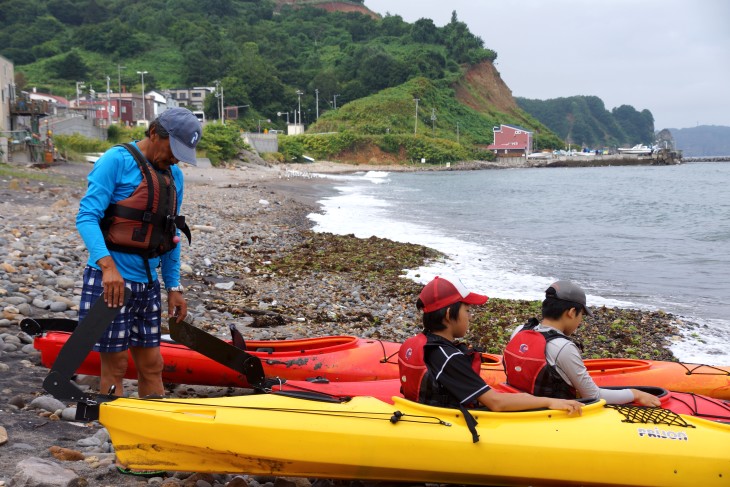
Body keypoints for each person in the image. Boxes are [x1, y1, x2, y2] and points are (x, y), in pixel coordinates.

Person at [76, 107, 202, 398]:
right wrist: (108, 268)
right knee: (116, 365)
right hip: (111, 281)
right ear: (155, 133)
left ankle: (152, 429)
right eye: (175, 149)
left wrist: (173, 286)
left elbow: (171, 234)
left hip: (148, 284)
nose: (176, 158)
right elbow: (87, 216)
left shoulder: (175, 177)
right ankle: (113, 429)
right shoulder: (116, 161)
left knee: (153, 365)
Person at [398, 275, 584, 417]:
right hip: (450, 427)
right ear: (448, 314)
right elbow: (497, 403)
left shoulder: (420, 344)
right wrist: (550, 402)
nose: (470, 317)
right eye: (467, 310)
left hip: (429, 417)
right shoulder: (448, 358)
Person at [504, 280, 661, 407]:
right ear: (571, 312)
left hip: (516, 404)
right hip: (547, 416)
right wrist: (635, 393)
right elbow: (593, 395)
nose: (580, 321)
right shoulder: (563, 347)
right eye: (581, 316)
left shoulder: (519, 331)